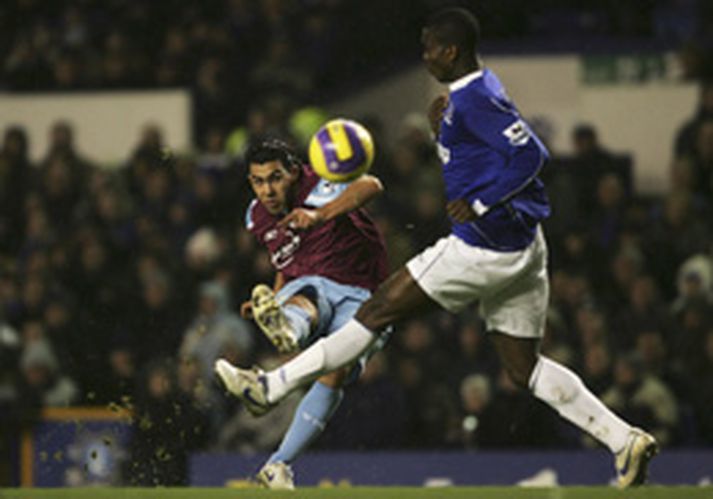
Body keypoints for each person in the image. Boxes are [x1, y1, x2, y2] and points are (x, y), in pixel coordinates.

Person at [215, 8, 658, 488]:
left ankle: (270, 386)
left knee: (378, 308)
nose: (424, 56)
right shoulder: (473, 94)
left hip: (482, 247)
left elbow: (532, 154)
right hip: (525, 246)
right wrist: (440, 132)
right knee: (522, 367)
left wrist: (482, 202)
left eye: (429, 47)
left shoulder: (476, 102)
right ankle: (623, 439)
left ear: (450, 50)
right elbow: (484, 154)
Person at [215, 138, 388, 489]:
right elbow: (287, 261)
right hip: (311, 284)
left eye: (276, 178)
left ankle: (278, 465)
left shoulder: (318, 182)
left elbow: (372, 184)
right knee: (305, 298)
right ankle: (286, 327)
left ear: (294, 172)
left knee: (336, 374)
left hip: (363, 292)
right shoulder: (257, 216)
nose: (268, 189)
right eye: (259, 181)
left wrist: (320, 214)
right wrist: (275, 298)